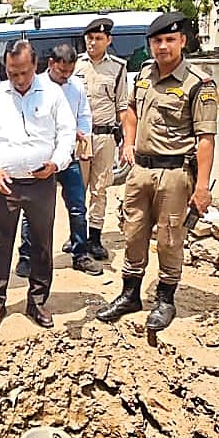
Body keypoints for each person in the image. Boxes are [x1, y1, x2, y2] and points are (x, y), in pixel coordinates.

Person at [97, 12, 217, 332]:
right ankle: (130, 295)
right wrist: (128, 143)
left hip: (175, 174)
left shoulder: (198, 83)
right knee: (133, 234)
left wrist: (202, 187)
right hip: (141, 171)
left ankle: (165, 300)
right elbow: (131, 109)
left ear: (182, 41)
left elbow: (206, 138)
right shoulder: (144, 74)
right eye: (157, 41)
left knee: (169, 238)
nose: (163, 46)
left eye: (169, 40)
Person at [0, 41, 75, 333]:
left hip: (41, 183)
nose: (18, 79)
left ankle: (37, 301)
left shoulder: (53, 94)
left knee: (41, 244)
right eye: (12, 73)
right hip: (5, 183)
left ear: (35, 66)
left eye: (24, 72)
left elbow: (66, 134)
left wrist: (55, 163)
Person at [15, 43, 102, 279]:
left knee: (77, 207)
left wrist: (83, 136)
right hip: (42, 158)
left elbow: (84, 116)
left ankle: (80, 253)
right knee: (33, 209)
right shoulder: (35, 86)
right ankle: (27, 257)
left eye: (70, 71)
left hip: (68, 158)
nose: (66, 76)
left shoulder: (76, 86)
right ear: (51, 64)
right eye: (62, 71)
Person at [74, 17, 128, 260]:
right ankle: (77, 234)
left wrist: (126, 141)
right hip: (81, 137)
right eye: (90, 38)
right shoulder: (75, 66)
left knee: (100, 188)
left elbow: (122, 106)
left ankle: (95, 237)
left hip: (105, 135)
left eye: (98, 38)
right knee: (77, 188)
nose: (93, 42)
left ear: (108, 40)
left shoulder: (118, 67)